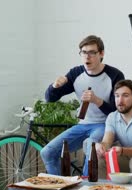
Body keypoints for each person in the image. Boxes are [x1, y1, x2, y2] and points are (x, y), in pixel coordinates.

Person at [40, 35, 124, 176]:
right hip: (82, 125)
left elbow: (118, 111)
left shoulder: (115, 75)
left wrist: (97, 100)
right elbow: (50, 99)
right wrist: (54, 86)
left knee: (91, 147)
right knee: (47, 152)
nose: (87, 57)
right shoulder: (76, 73)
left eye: (92, 52)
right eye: (84, 52)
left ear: (101, 53)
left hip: (105, 125)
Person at [95, 79, 132, 181]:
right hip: (126, 156)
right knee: (100, 159)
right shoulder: (112, 117)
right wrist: (100, 146)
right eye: (117, 96)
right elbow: (107, 142)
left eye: (125, 96)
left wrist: (123, 151)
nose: (120, 100)